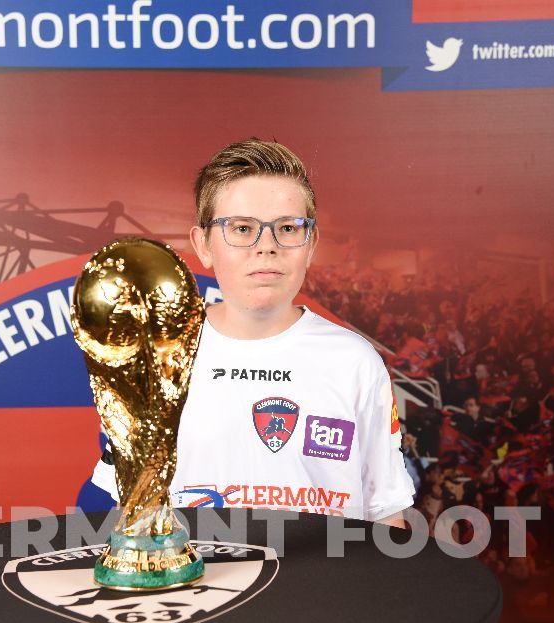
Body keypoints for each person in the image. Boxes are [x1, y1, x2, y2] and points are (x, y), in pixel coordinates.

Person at [90, 138, 415, 526]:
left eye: (288, 228)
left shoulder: (355, 362)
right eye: (242, 228)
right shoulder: (155, 358)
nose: (267, 247)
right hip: (197, 585)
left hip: (325, 586)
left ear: (310, 244)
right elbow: (130, 513)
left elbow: (387, 514)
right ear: (204, 245)